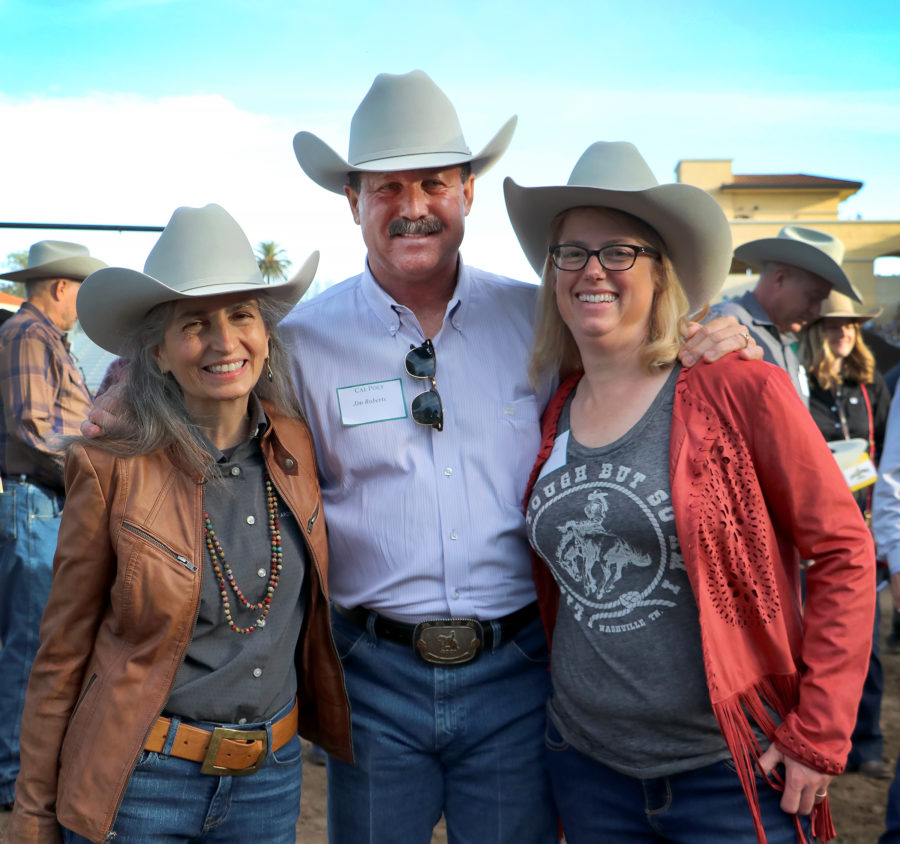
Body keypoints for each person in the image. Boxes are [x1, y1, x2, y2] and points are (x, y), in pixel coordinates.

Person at [282, 71, 761, 843]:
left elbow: (645, 338)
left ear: (468, 192)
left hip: (518, 673)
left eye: (434, 183)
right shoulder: (302, 342)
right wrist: (127, 384)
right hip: (373, 677)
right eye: (387, 187)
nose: (412, 207)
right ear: (352, 202)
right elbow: (217, 410)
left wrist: (732, 334)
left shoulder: (541, 319)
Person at [509, 141, 875, 843]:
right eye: (572, 252)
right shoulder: (555, 406)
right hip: (587, 767)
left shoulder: (738, 387)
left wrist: (819, 731)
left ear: (661, 270)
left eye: (620, 251)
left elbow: (844, 551)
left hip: (728, 771)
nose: (593, 270)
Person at [6, 204, 352, 844]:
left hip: (270, 784)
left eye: (242, 315)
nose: (225, 343)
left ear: (265, 332)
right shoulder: (111, 468)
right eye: (195, 324)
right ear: (159, 354)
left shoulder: (300, 448)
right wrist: (31, 813)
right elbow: (61, 652)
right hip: (143, 785)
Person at [0, 240, 107, 811]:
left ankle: (15, 768)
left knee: (33, 641)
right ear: (62, 287)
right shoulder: (28, 336)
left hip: (44, 502)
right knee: (30, 645)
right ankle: (12, 776)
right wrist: (97, 475)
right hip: (36, 502)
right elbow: (32, 430)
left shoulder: (41, 338)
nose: (81, 303)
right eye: (80, 291)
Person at [799, 292, 892, 781]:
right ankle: (816, 734)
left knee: (867, 642)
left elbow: (883, 458)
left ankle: (868, 742)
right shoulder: (800, 385)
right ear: (817, 331)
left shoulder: (871, 385)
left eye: (852, 326)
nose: (844, 333)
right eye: (835, 325)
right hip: (813, 532)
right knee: (815, 637)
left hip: (862, 526)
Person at [710, 226, 862, 403]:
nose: (816, 311)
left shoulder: (784, 338)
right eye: (813, 297)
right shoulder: (726, 325)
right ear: (780, 278)